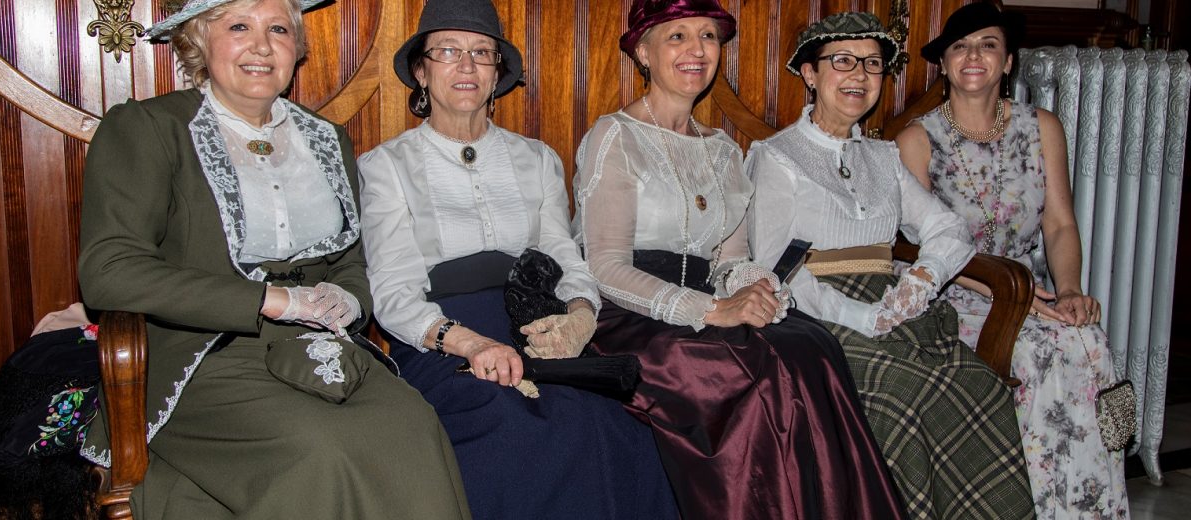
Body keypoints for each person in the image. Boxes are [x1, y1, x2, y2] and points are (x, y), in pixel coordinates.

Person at [77, 0, 471, 517]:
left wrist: (348, 297)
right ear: (199, 41)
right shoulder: (149, 127)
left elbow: (350, 260)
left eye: (279, 30)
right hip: (203, 357)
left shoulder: (326, 137)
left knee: (414, 423)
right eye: (239, 26)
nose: (262, 47)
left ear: (296, 49)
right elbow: (108, 271)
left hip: (319, 351)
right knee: (321, 448)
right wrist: (271, 299)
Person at [573, 1, 906, 518]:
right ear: (643, 52)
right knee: (748, 372)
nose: (697, 49)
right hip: (631, 311)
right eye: (677, 36)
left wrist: (752, 286)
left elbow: (730, 259)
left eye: (708, 36)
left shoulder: (723, 149)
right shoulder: (615, 135)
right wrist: (713, 310)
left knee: (811, 345)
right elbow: (605, 267)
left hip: (706, 296)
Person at [358, 1, 678, 518]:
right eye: (448, 51)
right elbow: (392, 292)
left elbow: (563, 254)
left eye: (482, 53)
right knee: (509, 425)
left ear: (497, 73)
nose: (467, 65)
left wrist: (580, 316)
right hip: (442, 338)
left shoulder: (537, 158)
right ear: (421, 70)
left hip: (535, 325)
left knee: (610, 423)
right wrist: (470, 343)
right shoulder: (384, 166)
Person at [746, 12, 1036, 519]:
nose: (859, 75)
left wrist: (922, 279)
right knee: (903, 397)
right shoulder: (777, 156)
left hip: (891, 304)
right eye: (842, 61)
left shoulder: (883, 158)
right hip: (812, 316)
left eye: (872, 64)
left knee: (982, 386)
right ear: (810, 74)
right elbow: (775, 264)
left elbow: (948, 229)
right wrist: (859, 316)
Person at [895, 3, 1129, 517]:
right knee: (1035, 355)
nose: (973, 56)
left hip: (1031, 289)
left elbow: (1060, 224)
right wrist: (1013, 294)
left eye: (988, 45)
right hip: (954, 292)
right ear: (944, 65)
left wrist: (1069, 290)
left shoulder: (1041, 127)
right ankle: (1027, 505)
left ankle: (1087, 507)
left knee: (1089, 341)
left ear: (1008, 61)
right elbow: (916, 249)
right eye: (960, 47)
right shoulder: (916, 140)